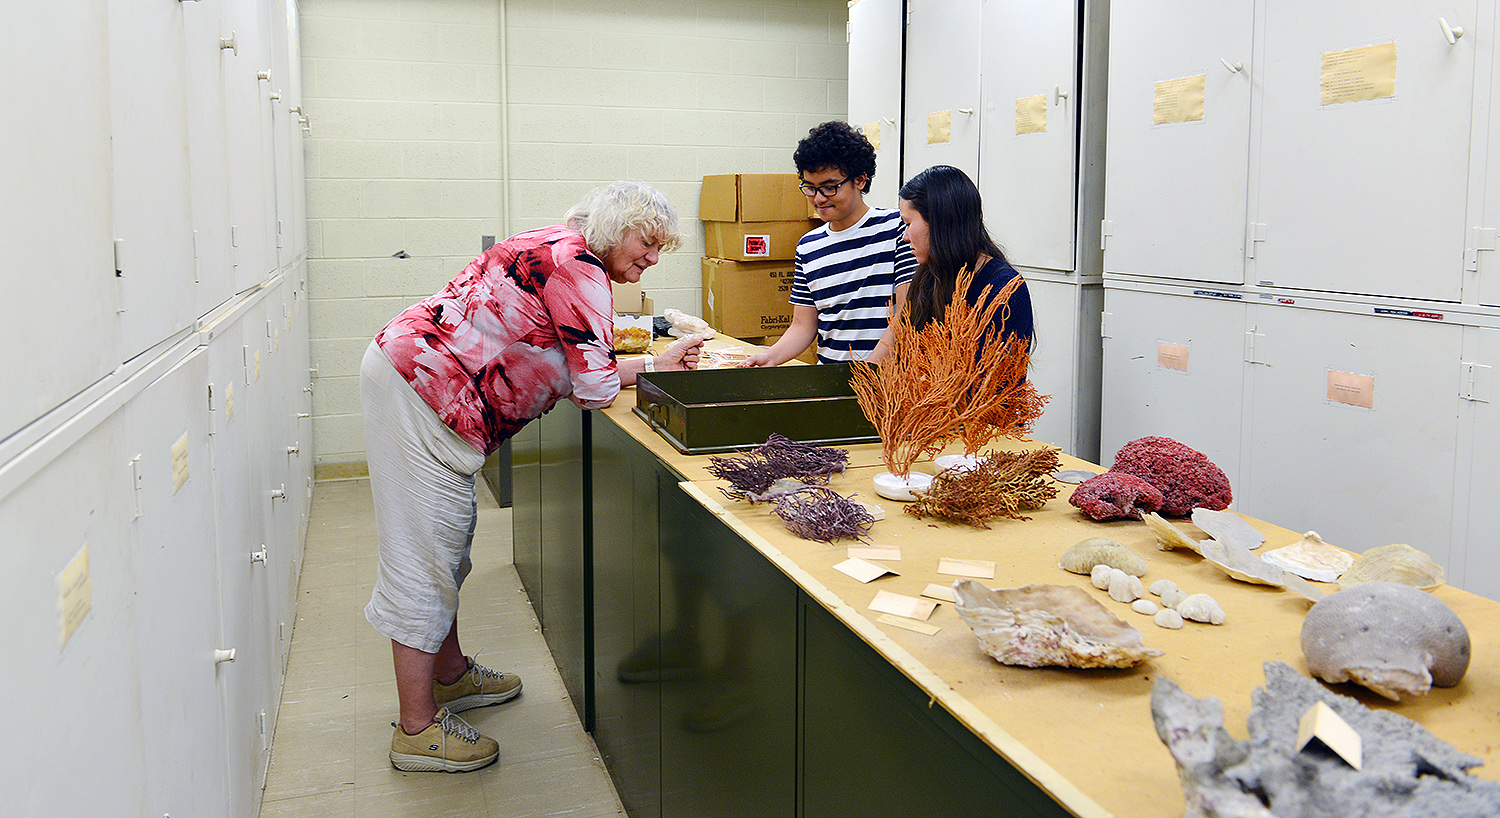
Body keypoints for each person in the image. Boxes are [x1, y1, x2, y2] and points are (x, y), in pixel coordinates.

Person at [359, 181, 704, 773]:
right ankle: (415, 729)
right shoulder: (581, 267)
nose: (651, 260)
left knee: (449, 547)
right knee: (425, 557)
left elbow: (560, 361)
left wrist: (651, 362)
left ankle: (450, 675)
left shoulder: (553, 242)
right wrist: (642, 369)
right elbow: (593, 389)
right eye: (647, 244)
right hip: (425, 392)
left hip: (417, 381)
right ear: (616, 226)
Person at [741, 121, 916, 366]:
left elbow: (906, 314)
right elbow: (803, 326)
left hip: (886, 383)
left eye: (830, 187)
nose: (819, 199)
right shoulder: (808, 246)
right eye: (810, 188)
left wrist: (868, 374)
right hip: (832, 381)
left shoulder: (898, 228)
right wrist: (769, 357)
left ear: (860, 180)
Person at [897, 164, 1034, 345]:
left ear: (940, 222)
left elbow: (990, 371)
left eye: (908, 224)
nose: (905, 237)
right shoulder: (929, 276)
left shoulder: (1004, 289)